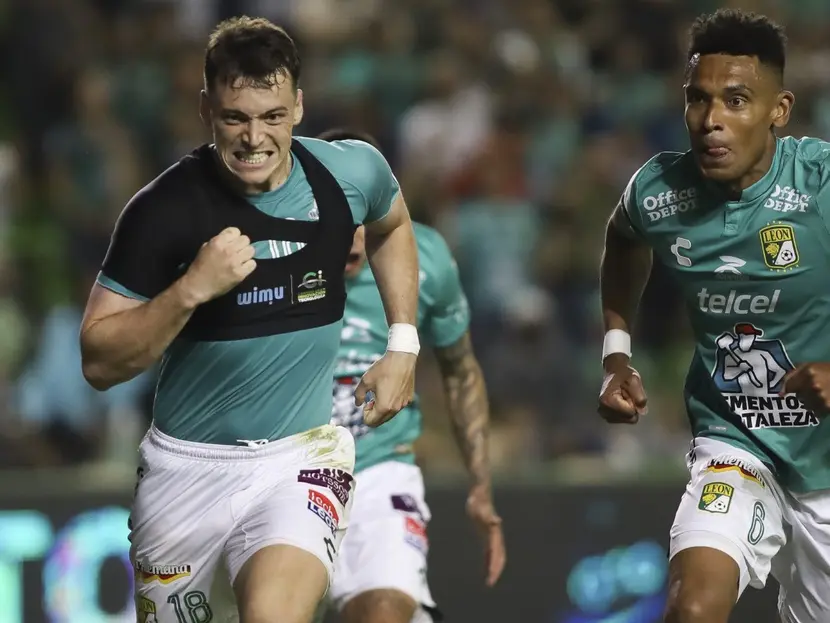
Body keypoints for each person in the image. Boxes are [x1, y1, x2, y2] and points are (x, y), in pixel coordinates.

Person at [80, 17, 422, 623]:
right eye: (235, 117)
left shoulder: (351, 174)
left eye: (272, 116)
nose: (254, 138)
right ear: (206, 108)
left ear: (298, 107)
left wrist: (402, 344)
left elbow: (392, 225)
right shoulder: (162, 211)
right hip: (183, 471)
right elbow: (99, 362)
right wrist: (190, 290)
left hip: (300, 459)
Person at [598, 9, 830, 623]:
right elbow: (623, 239)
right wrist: (616, 354)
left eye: (735, 100)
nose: (710, 121)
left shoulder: (821, 184)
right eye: (697, 99)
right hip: (737, 443)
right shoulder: (658, 191)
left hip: (826, 458)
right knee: (693, 608)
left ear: (779, 110)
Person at [318, 128, 506, 623]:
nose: (352, 238)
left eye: (363, 215)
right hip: (281, 466)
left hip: (380, 469)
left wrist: (480, 485)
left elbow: (461, 371)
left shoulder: (427, 258)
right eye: (338, 214)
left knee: (383, 612)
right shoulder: (271, 253)